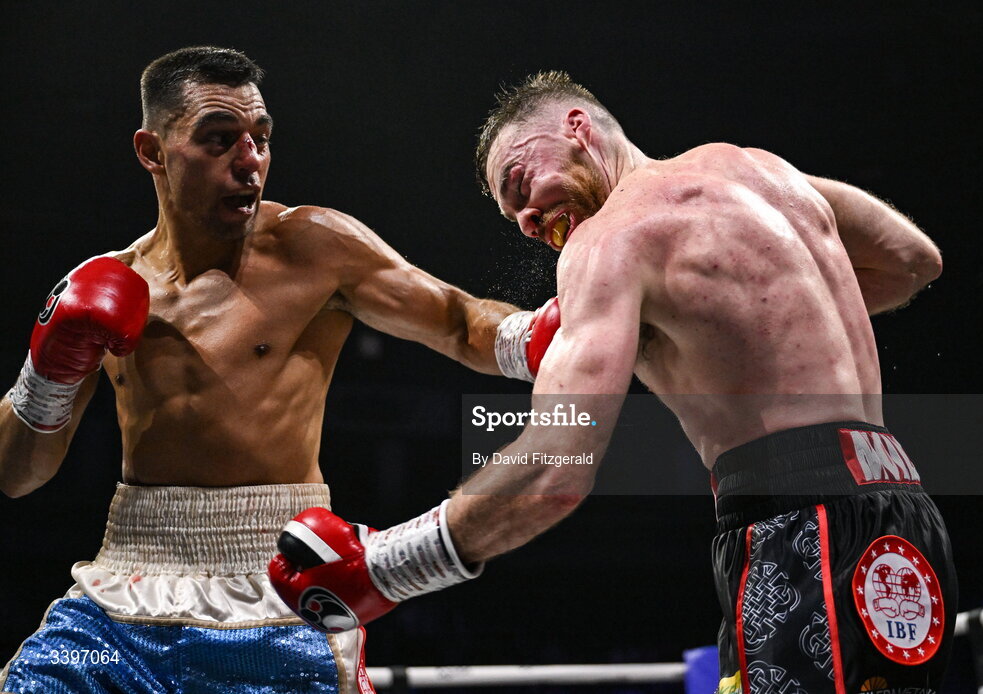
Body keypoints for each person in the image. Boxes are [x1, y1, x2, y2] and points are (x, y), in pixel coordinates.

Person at [271, 72, 958, 694]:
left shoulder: (612, 239)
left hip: (797, 528)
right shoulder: (763, 171)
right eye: (514, 220)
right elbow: (911, 261)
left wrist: (388, 564)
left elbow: (556, 469)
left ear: (577, 128)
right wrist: (725, 325)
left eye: (520, 184)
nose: (527, 221)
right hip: (902, 510)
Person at [0, 47, 564, 694]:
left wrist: (563, 335)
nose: (249, 161)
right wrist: (50, 369)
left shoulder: (313, 248)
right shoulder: (107, 284)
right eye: (218, 139)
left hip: (274, 588)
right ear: (152, 151)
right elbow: (19, 474)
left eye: (260, 139)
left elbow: (462, 323)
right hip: (121, 588)